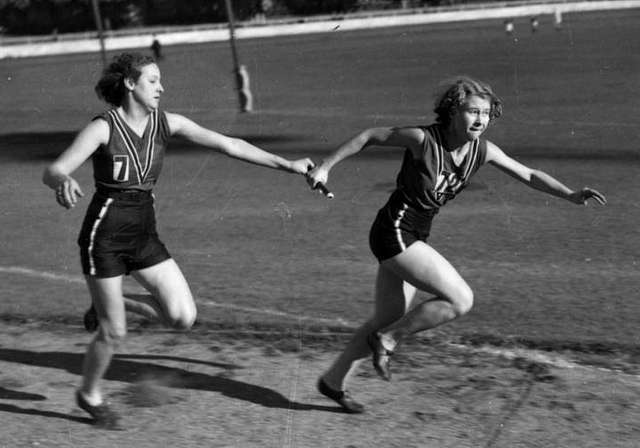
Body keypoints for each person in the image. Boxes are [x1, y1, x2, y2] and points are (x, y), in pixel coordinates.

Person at [43, 52, 314, 429]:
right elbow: (54, 168)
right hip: (104, 236)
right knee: (114, 331)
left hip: (143, 234)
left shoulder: (168, 123)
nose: (161, 87)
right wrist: (63, 181)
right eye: (153, 80)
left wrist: (288, 165)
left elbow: (229, 144)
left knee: (182, 317)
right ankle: (89, 394)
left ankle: (107, 304)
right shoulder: (103, 127)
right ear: (130, 84)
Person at [306, 76, 606, 414]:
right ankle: (388, 341)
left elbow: (528, 174)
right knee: (460, 299)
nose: (480, 119)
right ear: (452, 111)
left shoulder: (484, 150)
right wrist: (326, 166)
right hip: (394, 230)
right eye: (472, 111)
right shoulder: (423, 139)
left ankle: (332, 381)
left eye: (486, 113)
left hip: (414, 233)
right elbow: (370, 136)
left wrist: (569, 194)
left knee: (387, 317)